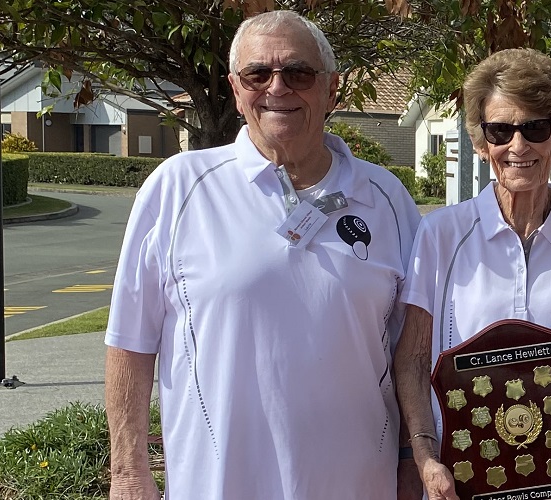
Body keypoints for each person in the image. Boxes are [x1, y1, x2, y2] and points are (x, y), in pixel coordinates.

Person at [103, 10, 422, 499]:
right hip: (214, 487)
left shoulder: (388, 199)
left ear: (331, 87)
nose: (278, 88)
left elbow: (412, 355)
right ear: (235, 88)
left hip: (358, 487)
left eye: (298, 73)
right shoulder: (177, 188)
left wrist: (410, 461)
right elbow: (129, 343)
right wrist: (128, 475)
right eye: (258, 74)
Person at [391, 47, 551, 500]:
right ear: (479, 140)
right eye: (500, 130)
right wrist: (426, 457)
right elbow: (412, 359)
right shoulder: (440, 235)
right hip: (466, 483)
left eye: (535, 128)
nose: (518, 145)